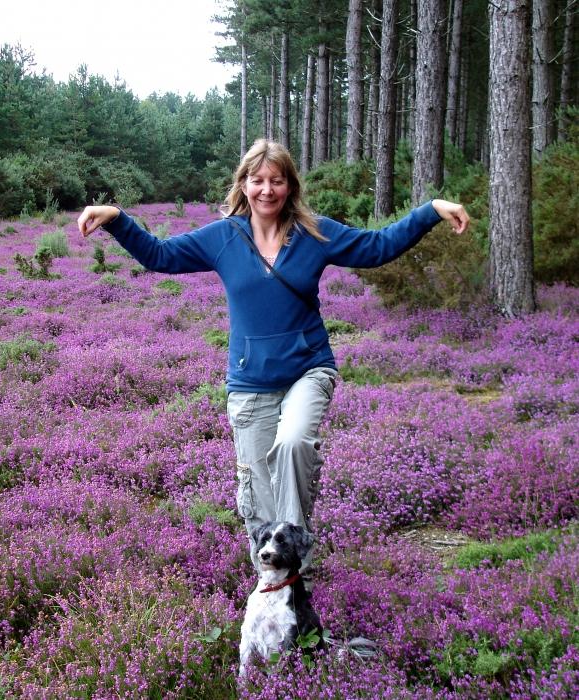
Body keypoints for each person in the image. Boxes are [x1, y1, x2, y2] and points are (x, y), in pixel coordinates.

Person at [77, 139, 470, 586]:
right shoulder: (222, 237)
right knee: (258, 488)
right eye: (257, 180)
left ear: (290, 186)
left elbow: (377, 248)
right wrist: (117, 220)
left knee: (293, 444)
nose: (267, 190)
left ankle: (297, 555)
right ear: (243, 185)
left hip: (309, 368)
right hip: (250, 382)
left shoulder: (314, 233)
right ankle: (273, 581)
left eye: (277, 180)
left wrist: (430, 210)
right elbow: (160, 255)